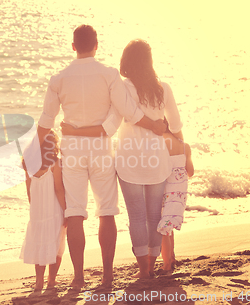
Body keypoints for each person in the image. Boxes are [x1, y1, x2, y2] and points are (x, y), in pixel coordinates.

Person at [37, 25, 166, 288]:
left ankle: (79, 277)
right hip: (101, 149)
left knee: (75, 213)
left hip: (72, 150)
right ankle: (107, 276)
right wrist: (153, 125)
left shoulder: (58, 79)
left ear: (73, 47)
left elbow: (45, 122)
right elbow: (127, 112)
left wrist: (38, 155)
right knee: (106, 212)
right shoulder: (108, 75)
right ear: (96, 45)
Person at [61, 39, 183, 279]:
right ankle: (151, 262)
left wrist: (79, 132)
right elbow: (176, 126)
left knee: (136, 216)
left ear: (126, 62)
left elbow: (114, 122)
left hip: (129, 161)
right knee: (153, 217)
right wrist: (182, 150)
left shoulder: (122, 87)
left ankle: (144, 270)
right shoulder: (164, 89)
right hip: (156, 161)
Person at [20, 130, 67, 290]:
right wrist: (66, 210)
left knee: (40, 245)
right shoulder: (56, 164)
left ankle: (39, 282)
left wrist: (34, 209)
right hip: (53, 210)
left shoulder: (29, 164)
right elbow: (59, 189)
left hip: (37, 212)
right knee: (57, 245)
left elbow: (28, 190)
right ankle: (51, 280)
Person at [157, 125, 194, 272]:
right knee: (168, 224)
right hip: (180, 193)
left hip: (166, 191)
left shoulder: (160, 144)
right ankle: (171, 258)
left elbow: (158, 170)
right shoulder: (185, 147)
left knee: (164, 228)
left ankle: (166, 265)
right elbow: (190, 172)